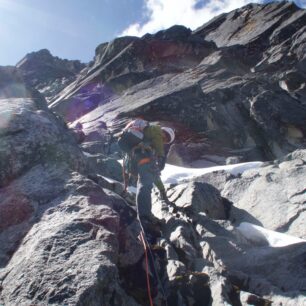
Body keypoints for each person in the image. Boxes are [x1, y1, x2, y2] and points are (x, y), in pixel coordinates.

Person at [119, 118, 175, 229]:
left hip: (137, 161)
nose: (164, 140)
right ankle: (145, 217)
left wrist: (162, 191)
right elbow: (158, 151)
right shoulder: (156, 131)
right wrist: (161, 158)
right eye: (166, 138)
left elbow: (154, 175)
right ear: (164, 132)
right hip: (143, 159)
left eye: (166, 141)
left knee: (144, 184)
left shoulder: (146, 140)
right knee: (145, 186)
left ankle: (143, 214)